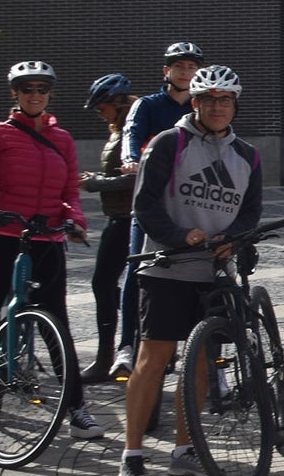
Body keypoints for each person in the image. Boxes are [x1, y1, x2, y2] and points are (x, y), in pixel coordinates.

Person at [0, 61, 101, 451]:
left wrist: (75, 220)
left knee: (55, 323)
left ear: (50, 93)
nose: (35, 94)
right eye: (27, 88)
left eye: (42, 88)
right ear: (15, 93)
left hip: (45, 239)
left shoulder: (62, 139)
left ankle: (76, 407)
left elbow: (70, 193)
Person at [121, 65, 263, 476]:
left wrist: (232, 238)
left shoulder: (248, 155)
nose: (218, 107)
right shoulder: (169, 143)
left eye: (226, 100)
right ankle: (131, 452)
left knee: (201, 364)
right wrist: (180, 236)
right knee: (153, 359)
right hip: (166, 269)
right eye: (209, 99)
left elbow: (251, 212)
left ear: (235, 104)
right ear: (195, 103)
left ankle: (186, 446)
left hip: (215, 274)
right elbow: (145, 206)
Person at [113, 39, 203, 379]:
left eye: (191, 67)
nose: (185, 72)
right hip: (152, 203)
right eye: (179, 66)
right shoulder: (149, 105)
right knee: (138, 271)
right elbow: (131, 134)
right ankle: (126, 345)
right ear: (166, 71)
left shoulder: (200, 108)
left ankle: (204, 356)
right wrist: (131, 160)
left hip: (188, 205)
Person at [79, 73, 137, 381]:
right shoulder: (121, 128)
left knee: (103, 282)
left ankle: (106, 359)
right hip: (120, 215)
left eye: (101, 108)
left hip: (130, 217)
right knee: (109, 283)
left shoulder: (135, 126)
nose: (100, 114)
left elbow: (138, 175)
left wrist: (95, 183)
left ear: (117, 103)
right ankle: (134, 324)